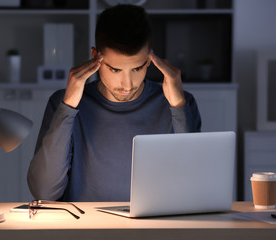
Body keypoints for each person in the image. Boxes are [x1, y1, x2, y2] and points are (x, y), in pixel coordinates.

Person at [27, 4, 201, 202]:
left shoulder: (180, 103)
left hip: (156, 229)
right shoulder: (63, 102)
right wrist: (67, 108)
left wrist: (178, 107)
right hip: (86, 229)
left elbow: (195, 187)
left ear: (150, 60)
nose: (127, 84)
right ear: (95, 57)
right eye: (115, 70)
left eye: (137, 68)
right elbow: (44, 192)